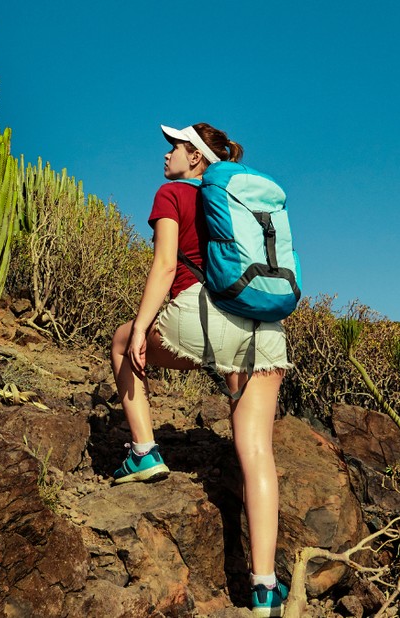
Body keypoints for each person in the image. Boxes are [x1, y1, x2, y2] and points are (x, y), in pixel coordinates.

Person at [110, 122, 291, 616]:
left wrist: (143, 325)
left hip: (201, 316)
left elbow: (166, 266)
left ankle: (145, 451)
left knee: (124, 340)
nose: (166, 154)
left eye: (175, 147)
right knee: (257, 452)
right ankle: (264, 588)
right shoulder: (238, 204)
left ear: (195, 158)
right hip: (263, 327)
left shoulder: (172, 193)